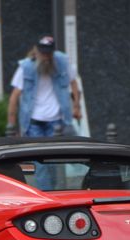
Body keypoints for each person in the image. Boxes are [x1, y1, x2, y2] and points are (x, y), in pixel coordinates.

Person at [7, 35, 81, 190]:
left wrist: (76, 106)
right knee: (40, 163)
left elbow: (74, 83)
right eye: (43, 53)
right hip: (33, 121)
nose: (46, 57)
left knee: (55, 161)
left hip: (57, 121)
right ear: (37, 52)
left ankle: (57, 192)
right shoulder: (26, 67)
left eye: (49, 53)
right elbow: (14, 96)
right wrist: (11, 124)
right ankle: (47, 195)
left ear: (53, 52)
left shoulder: (63, 62)